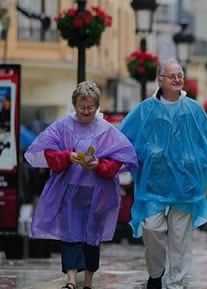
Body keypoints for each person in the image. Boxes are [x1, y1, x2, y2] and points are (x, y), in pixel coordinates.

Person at [118, 59, 207, 289]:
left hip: (185, 185)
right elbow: (123, 136)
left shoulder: (194, 110)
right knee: (152, 228)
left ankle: (175, 283)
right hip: (153, 184)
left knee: (179, 238)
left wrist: (194, 160)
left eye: (180, 75)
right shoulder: (146, 109)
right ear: (161, 80)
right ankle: (156, 273)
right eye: (172, 75)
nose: (177, 79)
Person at [25, 81, 138, 289]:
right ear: (74, 105)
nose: (86, 112)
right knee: (69, 235)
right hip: (69, 192)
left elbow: (120, 157)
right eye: (82, 107)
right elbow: (49, 153)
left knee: (92, 238)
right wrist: (68, 156)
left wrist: (98, 165)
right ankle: (70, 280)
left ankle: (88, 281)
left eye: (90, 108)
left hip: (98, 195)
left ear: (96, 106)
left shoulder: (106, 130)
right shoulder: (61, 126)